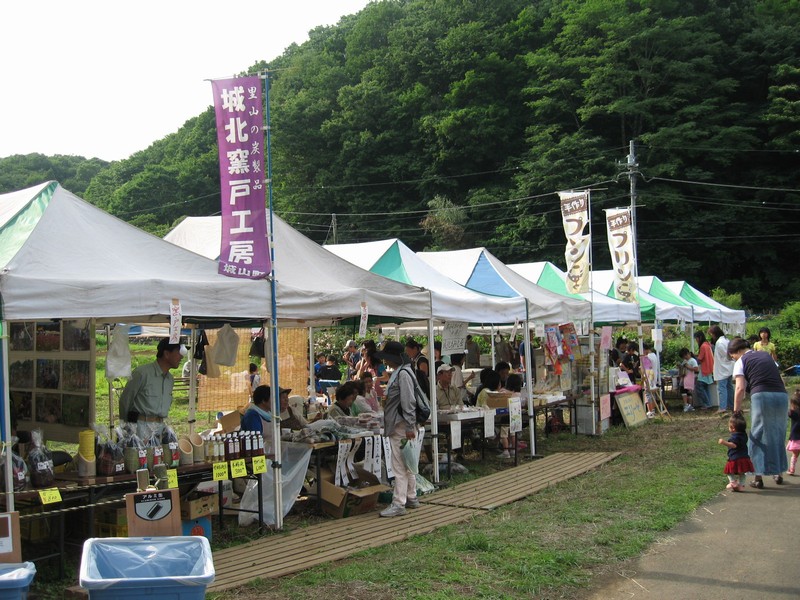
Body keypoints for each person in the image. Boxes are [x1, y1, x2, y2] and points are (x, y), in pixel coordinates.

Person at [729, 336, 789, 488]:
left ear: (736, 352)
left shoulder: (741, 361)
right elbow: (780, 380)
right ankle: (778, 472)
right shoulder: (765, 355)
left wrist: (736, 411)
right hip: (781, 395)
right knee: (777, 432)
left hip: (762, 396)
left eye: (732, 356)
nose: (733, 359)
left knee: (757, 434)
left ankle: (758, 477)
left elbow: (740, 388)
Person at [375, 340, 420, 517]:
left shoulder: (403, 374)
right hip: (402, 424)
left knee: (399, 465)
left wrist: (409, 425)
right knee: (407, 462)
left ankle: (398, 503)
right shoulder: (402, 372)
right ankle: (411, 496)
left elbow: (409, 401)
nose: (385, 361)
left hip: (401, 425)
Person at [119, 338, 185, 436]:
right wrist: (127, 427)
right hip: (140, 428)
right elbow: (125, 400)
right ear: (166, 354)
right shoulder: (142, 373)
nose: (181, 357)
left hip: (160, 428)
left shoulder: (170, 379)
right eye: (179, 352)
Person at [475, 369, 512, 458]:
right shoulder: (485, 392)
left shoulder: (493, 392)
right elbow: (485, 406)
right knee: (504, 424)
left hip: (494, 416)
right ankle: (502, 446)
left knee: (506, 422)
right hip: (483, 417)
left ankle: (497, 443)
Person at [718, 413, 755, 492]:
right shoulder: (744, 435)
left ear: (733, 428)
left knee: (729, 471)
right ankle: (741, 485)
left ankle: (732, 482)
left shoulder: (735, 437)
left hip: (735, 458)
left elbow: (734, 445)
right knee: (742, 473)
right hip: (744, 457)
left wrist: (724, 442)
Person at [709, 325, 734, 415]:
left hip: (723, 368)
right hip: (728, 367)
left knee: (722, 388)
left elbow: (727, 355)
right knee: (729, 387)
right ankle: (731, 405)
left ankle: (723, 407)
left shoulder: (719, 343)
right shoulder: (726, 340)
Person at [693, 331, 715, 410]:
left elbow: (700, 358)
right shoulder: (707, 345)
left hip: (704, 369)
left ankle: (707, 403)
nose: (696, 340)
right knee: (706, 387)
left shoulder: (703, 346)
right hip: (709, 369)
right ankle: (709, 403)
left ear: (699, 338)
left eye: (696, 338)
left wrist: (694, 357)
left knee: (700, 387)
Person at [641, 343, 660, 418]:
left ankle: (650, 411)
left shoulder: (648, 357)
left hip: (649, 377)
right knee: (653, 394)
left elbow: (646, 369)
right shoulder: (654, 355)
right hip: (654, 377)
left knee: (648, 394)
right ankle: (653, 410)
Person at [678, 347, 697, 412]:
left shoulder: (692, 360)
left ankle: (687, 405)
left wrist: (688, 367)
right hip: (684, 378)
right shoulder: (685, 361)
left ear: (688, 354)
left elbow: (696, 369)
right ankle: (688, 405)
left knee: (686, 392)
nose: (684, 358)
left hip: (689, 378)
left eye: (685, 356)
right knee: (686, 391)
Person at [786, 391, 800, 476]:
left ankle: (792, 469)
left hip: (796, 438)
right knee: (794, 456)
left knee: (794, 456)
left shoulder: (793, 413)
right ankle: (791, 469)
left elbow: (788, 413)